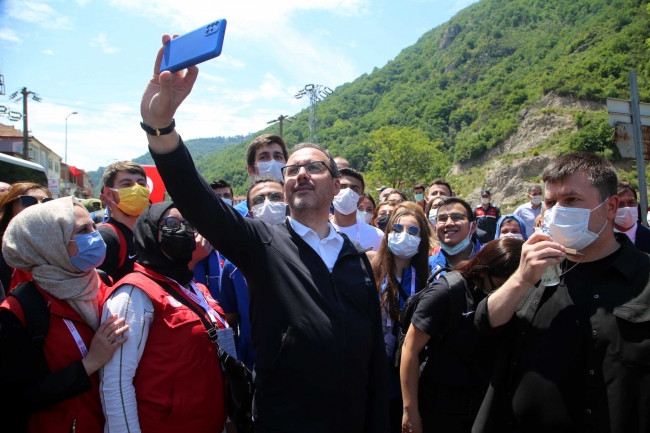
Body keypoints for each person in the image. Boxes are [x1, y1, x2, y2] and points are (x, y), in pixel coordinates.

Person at [138, 35, 389, 433]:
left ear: (337, 184)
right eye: (292, 169)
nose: (301, 173)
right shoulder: (262, 244)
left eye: (314, 167)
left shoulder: (355, 260)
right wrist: (160, 127)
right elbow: (196, 197)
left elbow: (375, 355)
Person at [473, 152, 650, 433]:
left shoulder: (644, 277)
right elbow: (486, 324)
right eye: (551, 202)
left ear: (611, 206)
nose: (557, 211)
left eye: (572, 201)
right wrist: (520, 278)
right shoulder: (534, 270)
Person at [0, 196, 128, 432]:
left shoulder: (101, 281)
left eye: (93, 226)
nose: (95, 236)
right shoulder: (17, 312)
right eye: (82, 230)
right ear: (49, 243)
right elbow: (16, 399)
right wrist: (89, 364)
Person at [101, 201, 229, 433]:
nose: (182, 229)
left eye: (187, 224)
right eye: (171, 223)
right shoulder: (133, 293)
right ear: (149, 231)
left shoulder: (193, 286)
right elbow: (117, 381)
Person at [400, 237, 523, 433]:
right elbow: (410, 348)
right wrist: (410, 411)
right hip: (440, 408)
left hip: (480, 407)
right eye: (503, 284)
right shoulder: (448, 291)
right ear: (484, 270)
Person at [371, 202, 431, 433]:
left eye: (413, 231)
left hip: (407, 383)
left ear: (422, 238)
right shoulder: (368, 271)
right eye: (397, 229)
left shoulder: (428, 278)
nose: (404, 235)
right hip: (372, 378)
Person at [219, 176, 287, 370]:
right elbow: (230, 320)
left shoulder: (311, 251)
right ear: (250, 212)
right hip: (256, 364)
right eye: (259, 199)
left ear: (287, 203)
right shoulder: (234, 264)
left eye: (275, 197)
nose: (268, 203)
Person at [98, 161, 150, 283]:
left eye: (141, 184)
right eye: (127, 185)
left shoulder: (149, 235)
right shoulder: (106, 238)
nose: (137, 189)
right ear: (109, 194)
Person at [0, 182, 53, 294]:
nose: (39, 206)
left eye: (46, 202)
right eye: (28, 201)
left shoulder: (61, 253)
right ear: (9, 209)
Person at [192, 178, 232, 298]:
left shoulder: (243, 234)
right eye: (217, 195)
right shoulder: (199, 240)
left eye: (226, 195)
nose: (222, 198)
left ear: (232, 200)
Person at [232, 134, 289, 216]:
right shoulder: (238, 215)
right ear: (251, 170)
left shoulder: (300, 208)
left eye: (278, 157)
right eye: (264, 157)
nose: (272, 162)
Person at [331, 167, 384, 252]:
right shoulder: (318, 230)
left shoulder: (376, 236)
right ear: (333, 192)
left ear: (361, 199)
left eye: (354, 189)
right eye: (343, 186)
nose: (348, 191)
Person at [429, 197, 481, 275]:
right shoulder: (426, 267)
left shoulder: (490, 259)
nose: (449, 223)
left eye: (457, 217)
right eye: (443, 219)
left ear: (473, 226)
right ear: (435, 228)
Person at [613, 180, 650, 253]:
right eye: (620, 204)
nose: (627, 208)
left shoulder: (648, 236)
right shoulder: (599, 240)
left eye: (631, 203)